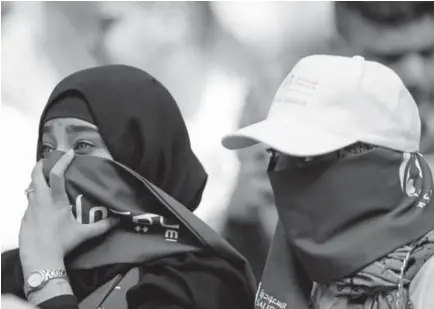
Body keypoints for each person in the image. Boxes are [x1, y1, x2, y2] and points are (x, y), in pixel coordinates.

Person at [1, 65, 256, 309]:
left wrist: (45, 278)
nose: (55, 166)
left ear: (143, 159)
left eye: (82, 146)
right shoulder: (12, 269)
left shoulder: (198, 283)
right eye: (47, 148)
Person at [222, 55, 434, 308]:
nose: (285, 176)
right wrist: (240, 235)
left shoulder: (427, 277)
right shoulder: (298, 270)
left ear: (378, 162)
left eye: (309, 158)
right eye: (277, 156)